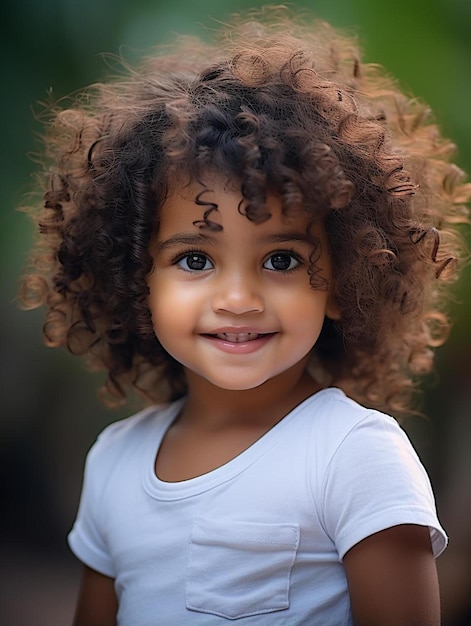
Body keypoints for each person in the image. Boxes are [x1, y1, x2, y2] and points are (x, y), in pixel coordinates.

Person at [20, 6, 470, 625]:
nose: (238, 297)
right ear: (136, 283)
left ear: (344, 282)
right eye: (196, 260)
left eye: (282, 259)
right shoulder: (113, 462)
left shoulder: (352, 457)